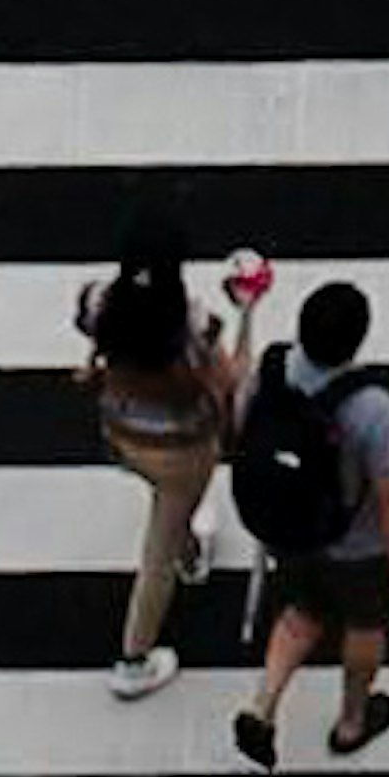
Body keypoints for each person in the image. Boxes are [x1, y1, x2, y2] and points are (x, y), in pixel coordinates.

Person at [227, 274, 389, 770]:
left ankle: (263, 705)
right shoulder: (370, 407)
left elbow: (239, 418)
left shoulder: (274, 368)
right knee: (365, 623)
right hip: (354, 545)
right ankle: (353, 720)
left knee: (299, 613)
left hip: (289, 529)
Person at [71, 225, 259, 697]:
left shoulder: (98, 303)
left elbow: (92, 334)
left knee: (173, 518)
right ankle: (134, 657)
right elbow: (233, 377)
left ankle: (192, 554)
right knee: (159, 547)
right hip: (183, 450)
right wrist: (248, 313)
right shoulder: (192, 327)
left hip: (122, 434)